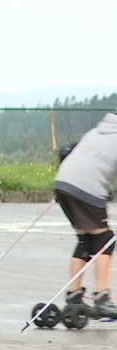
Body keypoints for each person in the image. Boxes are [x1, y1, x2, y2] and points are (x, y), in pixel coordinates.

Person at [54, 114, 117, 319]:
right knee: (105, 240)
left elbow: (67, 151)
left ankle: (74, 296)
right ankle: (103, 298)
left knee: (86, 240)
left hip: (63, 183)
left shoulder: (96, 131)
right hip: (87, 189)